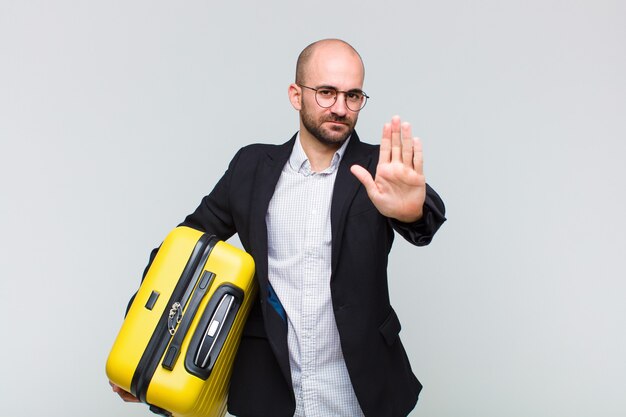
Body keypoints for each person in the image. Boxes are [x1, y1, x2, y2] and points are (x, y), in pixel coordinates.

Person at [112, 38, 446, 417]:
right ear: (295, 94)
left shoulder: (377, 167)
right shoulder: (252, 167)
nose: (340, 107)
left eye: (353, 96)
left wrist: (411, 211)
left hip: (359, 391)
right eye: (326, 92)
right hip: (269, 388)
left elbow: (425, 216)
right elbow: (180, 248)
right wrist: (139, 341)